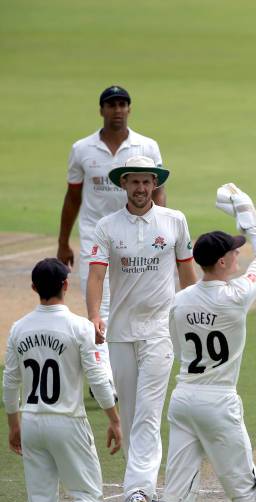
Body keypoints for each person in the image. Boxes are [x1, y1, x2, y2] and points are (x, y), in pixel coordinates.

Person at [157, 183, 256, 502]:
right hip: (219, 401)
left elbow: (179, 349)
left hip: (183, 398)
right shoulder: (237, 295)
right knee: (245, 488)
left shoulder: (180, 300)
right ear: (222, 261)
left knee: (176, 490)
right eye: (235, 252)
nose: (240, 254)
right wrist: (247, 213)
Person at [86, 156, 197, 502]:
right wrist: (93, 316)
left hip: (160, 332)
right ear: (124, 184)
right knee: (132, 414)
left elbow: (186, 274)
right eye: (134, 182)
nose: (141, 189)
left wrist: (195, 316)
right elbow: (97, 277)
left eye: (147, 182)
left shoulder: (174, 221)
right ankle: (139, 488)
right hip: (120, 333)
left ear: (155, 184)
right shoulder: (106, 226)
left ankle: (137, 491)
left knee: (148, 414)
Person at [57, 85, 166, 396]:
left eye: (122, 104)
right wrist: (63, 242)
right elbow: (73, 197)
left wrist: (164, 230)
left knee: (128, 301)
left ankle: (120, 368)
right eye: (111, 105)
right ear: (101, 110)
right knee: (100, 304)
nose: (117, 110)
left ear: (130, 109)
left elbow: (158, 194)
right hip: (96, 236)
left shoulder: (147, 146)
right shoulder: (82, 149)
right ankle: (104, 377)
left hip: (137, 237)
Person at [2, 258, 122, 502]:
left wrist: (14, 425)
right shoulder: (80, 327)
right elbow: (99, 379)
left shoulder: (18, 328)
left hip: (31, 421)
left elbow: (10, 382)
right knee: (89, 496)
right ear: (66, 285)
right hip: (68, 421)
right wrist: (114, 420)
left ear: (34, 288)